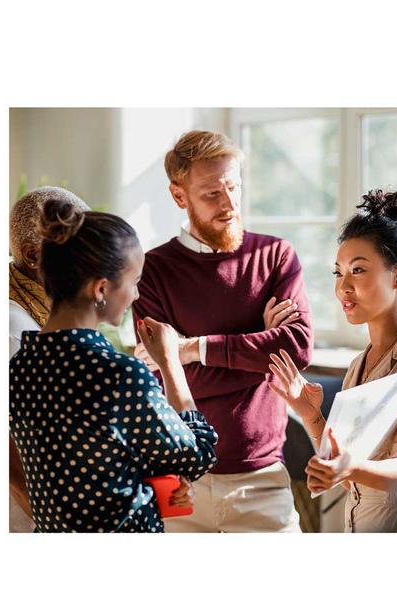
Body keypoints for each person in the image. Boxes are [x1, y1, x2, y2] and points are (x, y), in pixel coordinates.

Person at [132, 130, 313, 532]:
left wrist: (191, 349)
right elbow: (164, 380)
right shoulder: (151, 271)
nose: (229, 204)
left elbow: (296, 350)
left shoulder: (275, 256)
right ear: (180, 196)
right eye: (212, 194)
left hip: (263, 482)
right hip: (182, 486)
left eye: (234, 187)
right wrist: (258, 355)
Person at [9, 199, 218, 532]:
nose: (136, 295)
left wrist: (152, 482)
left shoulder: (19, 368)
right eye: (134, 282)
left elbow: (87, 462)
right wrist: (170, 363)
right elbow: (197, 454)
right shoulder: (119, 375)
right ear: (101, 289)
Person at [269, 189, 397, 533]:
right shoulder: (361, 363)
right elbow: (346, 473)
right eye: (338, 272)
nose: (343, 286)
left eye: (357, 270)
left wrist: (350, 467)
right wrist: (309, 411)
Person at [9, 186, 90, 532]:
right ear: (32, 256)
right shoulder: (14, 332)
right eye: (79, 247)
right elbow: (10, 457)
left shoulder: (50, 310)